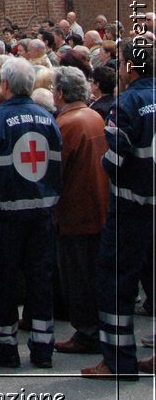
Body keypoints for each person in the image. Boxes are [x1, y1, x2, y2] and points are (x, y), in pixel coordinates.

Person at [0, 56, 62, 370]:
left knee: (5, 279)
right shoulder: (48, 117)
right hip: (42, 213)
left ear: (7, 85)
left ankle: (6, 346)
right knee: (40, 278)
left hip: (6, 214)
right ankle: (43, 348)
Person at [83, 37, 155, 380]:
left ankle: (118, 361)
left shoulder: (125, 105)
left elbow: (113, 161)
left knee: (116, 281)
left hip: (131, 208)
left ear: (129, 67)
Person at [51, 66, 107, 357]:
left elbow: (55, 169)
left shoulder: (66, 124)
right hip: (97, 207)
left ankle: (87, 332)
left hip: (77, 210)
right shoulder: (94, 117)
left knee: (78, 276)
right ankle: (93, 327)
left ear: (61, 93)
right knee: (91, 272)